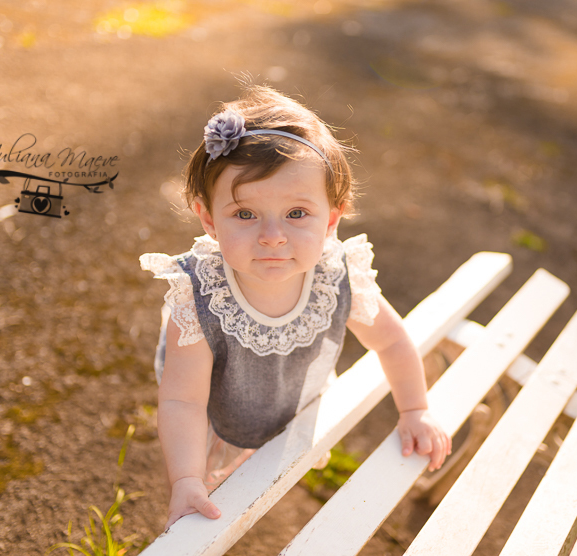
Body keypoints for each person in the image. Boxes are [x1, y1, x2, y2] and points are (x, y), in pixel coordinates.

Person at [140, 85, 451, 530]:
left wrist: (415, 409)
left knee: (257, 455)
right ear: (209, 219)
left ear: (331, 220)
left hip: (287, 391)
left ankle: (240, 472)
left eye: (297, 213)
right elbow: (182, 400)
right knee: (207, 471)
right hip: (215, 407)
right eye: (245, 215)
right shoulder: (200, 296)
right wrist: (185, 479)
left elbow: (392, 341)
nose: (272, 236)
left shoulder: (336, 276)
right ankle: (199, 515)